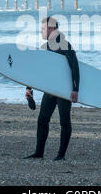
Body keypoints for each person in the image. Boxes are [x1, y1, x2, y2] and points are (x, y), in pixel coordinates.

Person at [25, 16, 80, 161]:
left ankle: (61, 155)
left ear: (51, 28)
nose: (40, 32)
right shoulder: (47, 47)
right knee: (42, 120)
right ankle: (39, 153)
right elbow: (39, 70)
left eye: (43, 29)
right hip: (50, 90)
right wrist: (29, 87)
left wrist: (75, 89)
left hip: (64, 91)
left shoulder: (64, 45)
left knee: (64, 122)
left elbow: (75, 67)